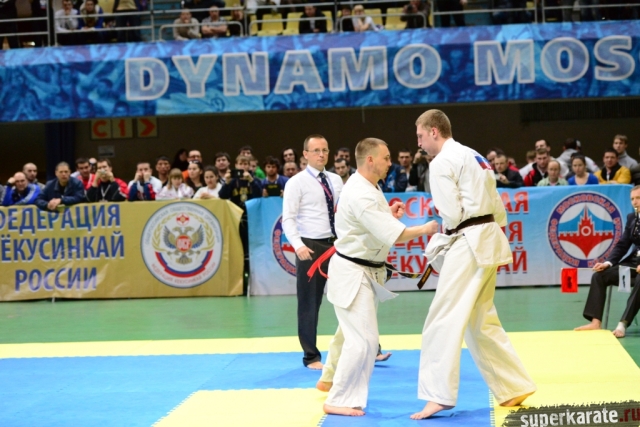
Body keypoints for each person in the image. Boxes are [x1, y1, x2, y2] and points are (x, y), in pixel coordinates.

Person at [411, 109, 536, 420]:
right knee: (481, 319)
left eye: (421, 136)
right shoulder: (475, 156)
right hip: (489, 235)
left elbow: (451, 214)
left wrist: (446, 236)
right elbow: (496, 204)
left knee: (441, 317)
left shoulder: (441, 162)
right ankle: (513, 386)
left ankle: (438, 395)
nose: (419, 144)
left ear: (434, 131)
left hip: (468, 240)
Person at [318, 138, 438, 416]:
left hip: (364, 270)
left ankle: (331, 382)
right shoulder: (360, 192)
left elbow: (371, 223)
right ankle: (337, 398)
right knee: (364, 340)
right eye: (386, 158)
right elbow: (394, 235)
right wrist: (425, 229)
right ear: (370, 159)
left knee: (354, 335)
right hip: (353, 273)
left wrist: (387, 213)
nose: (390, 163)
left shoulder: (369, 186)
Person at [282, 135, 344, 370]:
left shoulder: (336, 180)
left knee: (353, 296)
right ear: (305, 154)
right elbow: (288, 218)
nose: (321, 154)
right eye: (316, 150)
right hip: (310, 245)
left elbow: (345, 210)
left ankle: (370, 347)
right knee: (309, 302)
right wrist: (298, 245)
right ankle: (311, 356)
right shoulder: (296, 182)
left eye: (325, 150)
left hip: (337, 244)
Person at [575, 185, 640, 339]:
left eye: (638, 198)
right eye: (632, 199)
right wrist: (608, 263)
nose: (635, 202)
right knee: (600, 275)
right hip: (633, 263)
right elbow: (622, 244)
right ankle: (595, 322)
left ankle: (623, 323)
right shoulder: (632, 218)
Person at [220, 154, 262, 293]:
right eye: (240, 164)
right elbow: (222, 196)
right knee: (238, 252)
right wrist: (226, 182)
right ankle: (240, 286)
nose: (243, 166)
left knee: (252, 252)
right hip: (236, 221)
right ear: (236, 165)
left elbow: (260, 195)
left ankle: (254, 284)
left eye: (246, 164)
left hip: (252, 221)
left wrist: (252, 181)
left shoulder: (255, 180)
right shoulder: (232, 181)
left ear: (250, 166)